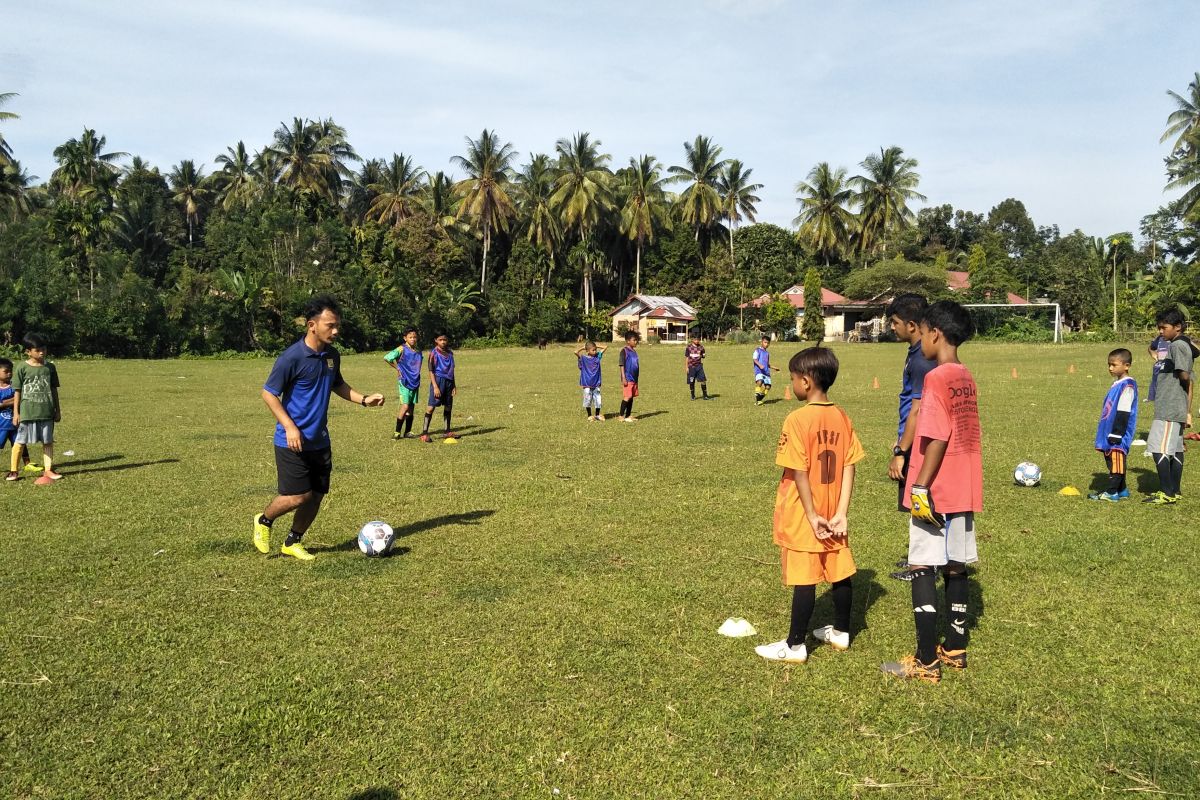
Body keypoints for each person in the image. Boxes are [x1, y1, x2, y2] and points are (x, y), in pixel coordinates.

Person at [882, 300, 982, 684]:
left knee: (923, 565)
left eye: (921, 333)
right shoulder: (966, 376)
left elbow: (938, 436)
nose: (919, 340)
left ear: (935, 334)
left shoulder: (937, 379)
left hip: (936, 487)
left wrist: (920, 484)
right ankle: (955, 649)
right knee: (956, 565)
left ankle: (925, 662)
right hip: (964, 486)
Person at [253, 296, 384, 561]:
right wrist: (289, 427)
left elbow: (338, 385)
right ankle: (264, 520)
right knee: (298, 496)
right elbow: (269, 393)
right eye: (330, 325)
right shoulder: (292, 357)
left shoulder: (331, 355)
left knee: (316, 496)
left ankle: (293, 541)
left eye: (338, 326)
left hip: (320, 440)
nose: (335, 331)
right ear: (312, 325)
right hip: (292, 440)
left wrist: (364, 399)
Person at [755, 347, 864, 663]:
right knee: (839, 570)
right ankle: (842, 631)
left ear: (806, 381)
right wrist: (841, 512)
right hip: (835, 513)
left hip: (808, 515)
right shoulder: (841, 416)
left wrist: (813, 514)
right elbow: (849, 464)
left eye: (792, 379)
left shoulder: (797, 419)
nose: (791, 385)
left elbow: (799, 469)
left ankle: (794, 645)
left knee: (805, 578)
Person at [885, 294, 937, 581]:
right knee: (912, 499)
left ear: (913, 325)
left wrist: (900, 450)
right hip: (910, 435)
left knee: (919, 497)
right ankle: (920, 556)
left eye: (895, 322)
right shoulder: (916, 352)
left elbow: (918, 410)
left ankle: (923, 565)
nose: (892, 327)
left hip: (916, 441)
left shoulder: (922, 361)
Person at [1143, 308, 1193, 504]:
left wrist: (1184, 407)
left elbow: (1186, 376)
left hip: (1170, 407)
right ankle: (1174, 490)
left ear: (1177, 327)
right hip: (1174, 406)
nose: (1161, 332)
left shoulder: (1178, 346)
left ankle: (1167, 492)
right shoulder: (1181, 344)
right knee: (1175, 448)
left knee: (1159, 448)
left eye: (1164, 328)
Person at [7, 337, 62, 484]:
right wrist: (16, 413)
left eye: (44, 349)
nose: (42, 352)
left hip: (47, 411)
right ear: (28, 352)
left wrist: (58, 410)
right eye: (38, 350)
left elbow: (53, 389)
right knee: (20, 442)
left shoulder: (50, 367)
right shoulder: (21, 367)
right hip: (27, 412)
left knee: (48, 441)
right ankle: (13, 471)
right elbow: (17, 392)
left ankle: (48, 469)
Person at [1089, 349, 1138, 502]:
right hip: (1109, 430)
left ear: (1126, 365)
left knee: (1116, 461)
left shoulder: (1127, 386)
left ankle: (1111, 492)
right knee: (1111, 460)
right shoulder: (1117, 383)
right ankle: (1122, 489)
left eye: (1114, 365)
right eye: (1109, 365)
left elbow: (1124, 411)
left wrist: (1117, 433)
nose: (1110, 368)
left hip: (1118, 432)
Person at [384, 327, 422, 440]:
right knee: (405, 406)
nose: (413, 339)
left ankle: (408, 432)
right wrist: (397, 368)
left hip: (415, 381)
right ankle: (397, 432)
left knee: (411, 407)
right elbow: (387, 358)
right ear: (405, 338)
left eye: (414, 337)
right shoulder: (401, 349)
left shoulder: (418, 351)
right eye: (410, 337)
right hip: (404, 381)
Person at [0, 357, 36, 475]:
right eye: (6, 371)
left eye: (11, 370)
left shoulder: (14, 386)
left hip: (16, 423)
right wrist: (14, 400)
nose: (10, 373)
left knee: (21, 444)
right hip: (2, 426)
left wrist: (4, 403)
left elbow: (21, 397)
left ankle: (27, 464)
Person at [419, 334, 457, 442]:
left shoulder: (450, 353)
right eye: (440, 340)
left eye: (445, 339)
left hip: (449, 382)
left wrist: (454, 384)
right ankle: (424, 433)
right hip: (438, 381)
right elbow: (431, 371)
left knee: (448, 406)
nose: (443, 342)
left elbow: (452, 369)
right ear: (436, 340)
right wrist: (435, 386)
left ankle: (447, 431)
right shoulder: (433, 353)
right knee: (431, 407)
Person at [575, 340, 608, 421]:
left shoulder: (597, 356)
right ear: (587, 351)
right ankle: (589, 415)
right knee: (587, 399)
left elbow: (605, 347)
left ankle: (597, 415)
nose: (595, 351)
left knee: (598, 399)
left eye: (595, 349)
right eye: (593, 350)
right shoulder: (584, 358)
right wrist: (583, 347)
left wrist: (596, 346)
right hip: (587, 383)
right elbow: (576, 352)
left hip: (596, 383)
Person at [618, 330, 641, 422]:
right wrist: (624, 377)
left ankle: (628, 416)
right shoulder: (624, 351)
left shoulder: (634, 351)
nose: (636, 342)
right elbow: (621, 364)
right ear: (628, 341)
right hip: (628, 378)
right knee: (627, 397)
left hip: (634, 378)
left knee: (631, 397)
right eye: (634, 340)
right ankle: (620, 416)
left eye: (636, 340)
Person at [753, 335, 779, 405]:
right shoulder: (757, 350)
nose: (766, 344)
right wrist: (760, 365)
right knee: (760, 381)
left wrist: (774, 368)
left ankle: (759, 400)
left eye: (768, 343)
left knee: (768, 386)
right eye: (765, 342)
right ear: (761, 342)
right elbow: (755, 359)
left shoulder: (767, 353)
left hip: (766, 372)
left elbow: (767, 364)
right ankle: (757, 395)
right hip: (759, 371)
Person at [684, 333, 709, 400]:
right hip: (691, 367)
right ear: (692, 340)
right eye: (695, 339)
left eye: (698, 339)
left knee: (703, 380)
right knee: (691, 381)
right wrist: (686, 367)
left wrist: (701, 355)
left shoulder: (701, 347)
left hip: (699, 367)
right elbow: (686, 358)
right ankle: (693, 396)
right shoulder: (688, 348)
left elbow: (703, 355)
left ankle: (705, 395)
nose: (697, 341)